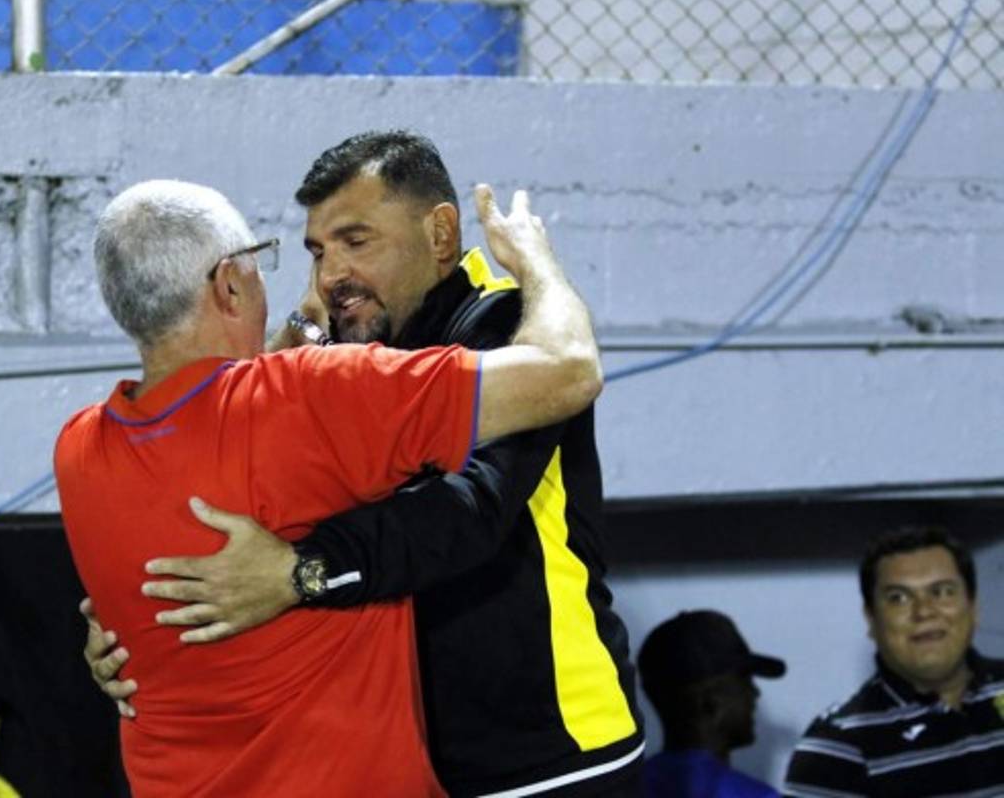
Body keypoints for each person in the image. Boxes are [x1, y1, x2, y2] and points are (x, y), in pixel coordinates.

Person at [84, 132, 644, 796]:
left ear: (440, 234)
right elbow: (233, 477)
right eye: (318, 252)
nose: (331, 274)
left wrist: (300, 572)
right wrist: (129, 628)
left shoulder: (510, 327)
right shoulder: (348, 356)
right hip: (416, 761)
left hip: (551, 750)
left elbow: (471, 509)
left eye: (357, 241)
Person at [784, 526, 1004, 797]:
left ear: (973, 607)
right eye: (898, 598)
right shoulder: (836, 745)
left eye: (943, 592)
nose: (924, 611)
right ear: (871, 619)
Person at [637, 610, 786, 798]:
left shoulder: (623, 788)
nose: (755, 693)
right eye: (745, 680)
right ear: (711, 702)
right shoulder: (756, 796)